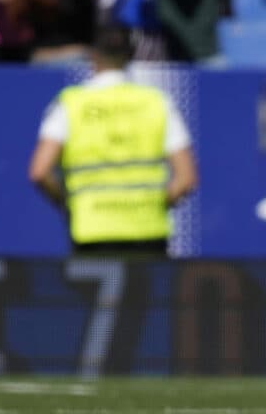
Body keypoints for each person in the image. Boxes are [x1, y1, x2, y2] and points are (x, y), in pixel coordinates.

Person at [28, 24, 197, 257]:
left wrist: (69, 204)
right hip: (148, 231)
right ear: (130, 56)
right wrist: (155, 204)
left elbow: (39, 171)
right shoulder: (156, 102)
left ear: (93, 55)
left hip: (92, 230)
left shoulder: (70, 104)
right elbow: (186, 178)